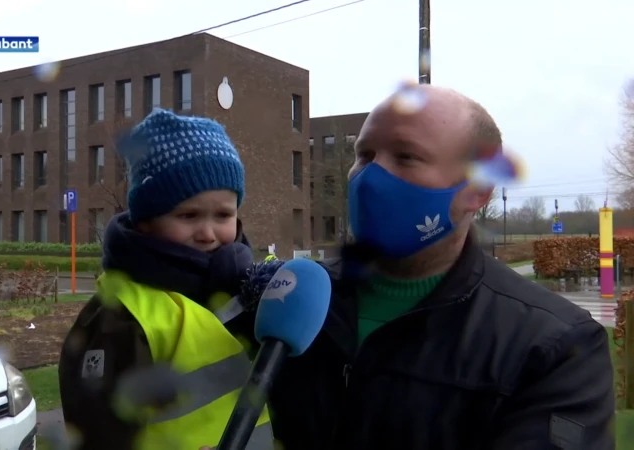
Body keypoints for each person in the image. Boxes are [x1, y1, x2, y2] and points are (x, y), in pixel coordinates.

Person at [209, 84, 615, 450]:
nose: (369, 177)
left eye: (406, 157)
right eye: (363, 155)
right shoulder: (290, 300)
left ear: (477, 192)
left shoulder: (555, 348)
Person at [58, 109, 273, 450]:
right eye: (188, 215)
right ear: (145, 221)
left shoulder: (253, 286)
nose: (207, 233)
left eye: (223, 215)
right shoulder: (121, 315)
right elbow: (98, 435)